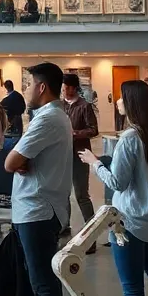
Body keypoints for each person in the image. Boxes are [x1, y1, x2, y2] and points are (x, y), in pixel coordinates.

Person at [79, 80, 148, 296]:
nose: (117, 101)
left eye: (121, 97)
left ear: (132, 103)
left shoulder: (130, 139)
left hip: (129, 225)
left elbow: (117, 183)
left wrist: (94, 163)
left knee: (133, 290)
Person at [4, 62, 73, 296]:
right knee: (37, 280)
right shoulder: (52, 116)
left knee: (43, 283)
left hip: (38, 212)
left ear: (42, 87)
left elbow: (10, 162)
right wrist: (20, 159)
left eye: (29, 84)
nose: (26, 89)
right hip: (38, 210)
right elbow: (18, 159)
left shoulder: (47, 120)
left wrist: (18, 159)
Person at [62, 73, 98, 245]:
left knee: (81, 195)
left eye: (68, 87)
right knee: (63, 195)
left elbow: (93, 129)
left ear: (75, 88)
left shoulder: (85, 106)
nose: (65, 90)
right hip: (62, 155)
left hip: (80, 155)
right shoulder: (59, 105)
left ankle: (91, 234)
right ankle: (64, 229)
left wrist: (76, 134)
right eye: (63, 87)